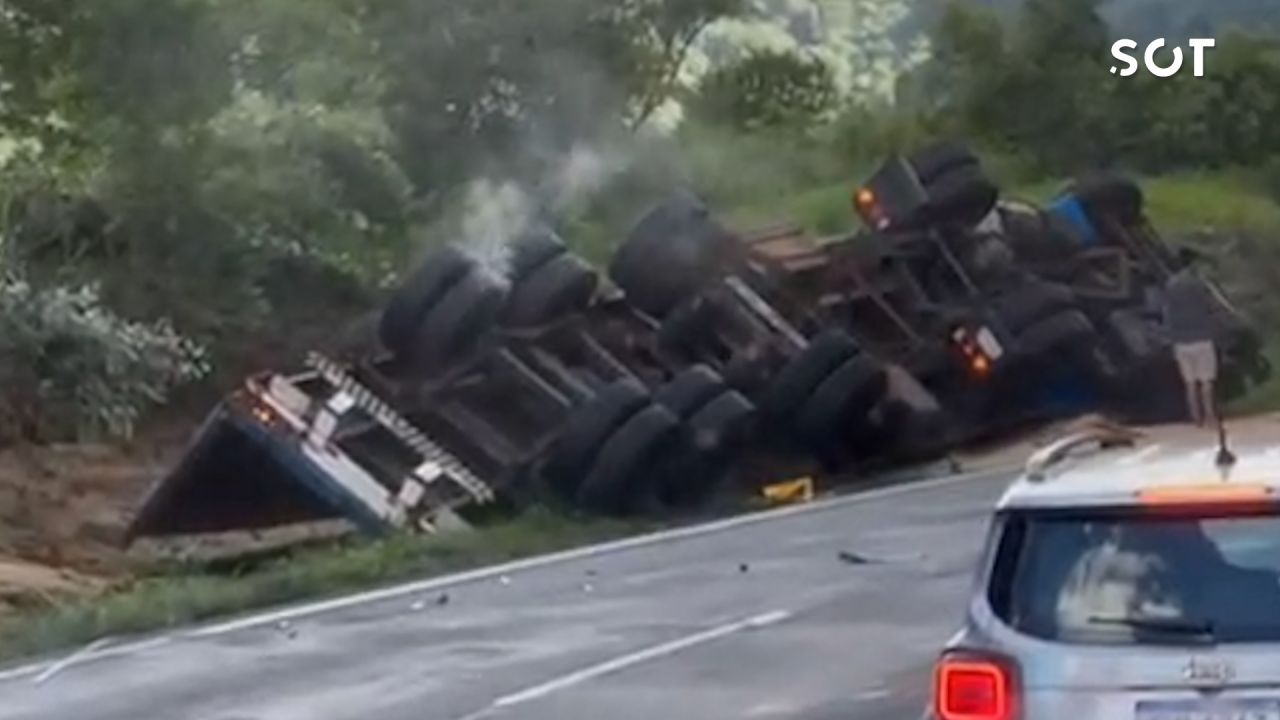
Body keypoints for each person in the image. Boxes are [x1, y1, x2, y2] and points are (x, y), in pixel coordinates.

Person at [1163, 249, 1220, 426]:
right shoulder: (1198, 284)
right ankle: (1209, 415)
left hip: (1181, 341)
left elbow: (1167, 313)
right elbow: (1211, 306)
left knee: (1190, 382)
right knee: (1206, 380)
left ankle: (1195, 417)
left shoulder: (1170, 285)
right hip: (1201, 337)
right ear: (1192, 264)